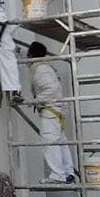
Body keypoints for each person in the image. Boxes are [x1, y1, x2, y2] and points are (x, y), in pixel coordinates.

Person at [27, 42, 77, 183]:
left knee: (50, 141)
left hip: (50, 109)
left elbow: (52, 89)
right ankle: (68, 172)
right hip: (55, 109)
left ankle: (58, 174)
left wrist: (34, 101)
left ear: (29, 55)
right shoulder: (45, 66)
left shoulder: (40, 69)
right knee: (60, 141)